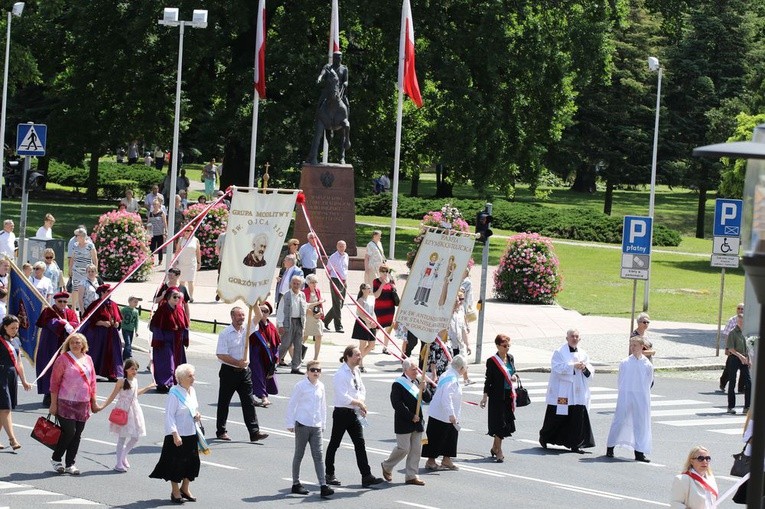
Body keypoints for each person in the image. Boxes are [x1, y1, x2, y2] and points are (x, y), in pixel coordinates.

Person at [324, 346, 383, 488]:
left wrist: (360, 404)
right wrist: (359, 403)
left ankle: (366, 475)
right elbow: (342, 397)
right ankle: (329, 474)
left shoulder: (356, 371)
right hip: (342, 413)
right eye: (357, 355)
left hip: (354, 413)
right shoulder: (341, 374)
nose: (360, 357)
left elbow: (361, 389)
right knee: (335, 443)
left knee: (360, 444)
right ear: (348, 357)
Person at [215, 306, 268, 442]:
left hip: (244, 373)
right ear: (232, 317)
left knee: (248, 402)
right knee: (224, 402)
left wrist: (254, 300)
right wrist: (236, 362)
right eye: (239, 315)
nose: (242, 318)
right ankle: (221, 431)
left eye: (243, 315)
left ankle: (254, 432)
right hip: (229, 372)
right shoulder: (225, 333)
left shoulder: (247, 328)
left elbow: (258, 315)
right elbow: (220, 354)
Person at [149, 363, 201, 503]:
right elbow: (169, 416)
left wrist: (197, 414)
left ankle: (185, 488)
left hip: (191, 432)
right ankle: (175, 491)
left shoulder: (192, 390)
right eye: (190, 376)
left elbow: (194, 408)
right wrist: (175, 434)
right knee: (176, 464)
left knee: (192, 462)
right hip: (178, 434)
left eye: (193, 375)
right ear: (181, 378)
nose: (193, 378)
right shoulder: (174, 393)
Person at [49, 333, 98, 475]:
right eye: (73, 343)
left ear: (83, 344)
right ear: (68, 345)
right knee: (70, 431)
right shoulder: (63, 359)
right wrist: (53, 403)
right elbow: (54, 382)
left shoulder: (88, 359)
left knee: (77, 434)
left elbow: (93, 382)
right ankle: (56, 459)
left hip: (83, 402)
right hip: (65, 401)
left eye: (78, 342)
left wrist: (93, 401)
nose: (76, 345)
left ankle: (70, 464)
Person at [539, 329, 595, 453]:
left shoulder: (583, 353)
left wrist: (584, 368)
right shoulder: (559, 352)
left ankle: (576, 443)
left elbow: (590, 368)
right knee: (558, 416)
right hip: (563, 390)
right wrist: (572, 366)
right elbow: (557, 368)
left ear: (579, 339)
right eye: (572, 336)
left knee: (577, 417)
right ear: (567, 338)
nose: (574, 338)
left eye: (576, 336)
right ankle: (545, 437)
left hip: (578, 389)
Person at [285, 359, 334, 498]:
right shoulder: (301, 386)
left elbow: (323, 406)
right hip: (302, 424)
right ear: (307, 372)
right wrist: (290, 423)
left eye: (318, 370)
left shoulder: (321, 386)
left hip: (316, 426)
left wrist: (323, 423)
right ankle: (296, 483)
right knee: (299, 454)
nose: (316, 373)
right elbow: (292, 404)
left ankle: (323, 485)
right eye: (313, 370)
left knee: (318, 456)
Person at [96, 359, 156, 471]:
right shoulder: (121, 381)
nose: (134, 371)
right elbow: (112, 396)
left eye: (136, 369)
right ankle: (118, 463)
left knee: (135, 437)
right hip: (123, 411)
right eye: (132, 369)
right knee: (122, 438)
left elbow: (135, 394)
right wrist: (102, 406)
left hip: (134, 410)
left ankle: (123, 456)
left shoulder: (135, 380)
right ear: (126, 369)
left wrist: (148, 387)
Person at [382, 358, 430, 485]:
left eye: (416, 369)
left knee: (415, 450)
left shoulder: (419, 381)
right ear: (406, 370)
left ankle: (411, 475)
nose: (416, 371)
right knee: (403, 448)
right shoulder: (398, 384)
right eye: (413, 369)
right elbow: (397, 404)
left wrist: (424, 389)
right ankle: (387, 465)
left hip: (418, 421)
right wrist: (410, 416)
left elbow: (428, 398)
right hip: (404, 421)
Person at [606, 337, 654, 462]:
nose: (632, 348)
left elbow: (649, 382)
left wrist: (643, 394)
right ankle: (610, 447)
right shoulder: (625, 362)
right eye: (631, 345)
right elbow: (620, 380)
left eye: (635, 345)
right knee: (619, 419)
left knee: (640, 423)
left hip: (641, 396)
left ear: (642, 347)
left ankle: (639, 451)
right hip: (626, 394)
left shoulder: (647, 364)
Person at [423, 355, 466, 472]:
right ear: (461, 368)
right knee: (435, 437)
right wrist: (451, 414)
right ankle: (430, 461)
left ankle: (447, 459)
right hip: (441, 414)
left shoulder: (449, 374)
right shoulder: (451, 379)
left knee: (450, 437)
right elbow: (446, 398)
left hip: (445, 414)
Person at [35, 292, 79, 406]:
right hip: (50, 346)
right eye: (60, 301)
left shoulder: (70, 312)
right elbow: (50, 323)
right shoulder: (48, 311)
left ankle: (64, 395)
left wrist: (70, 325)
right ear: (55, 301)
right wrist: (62, 324)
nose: (63, 304)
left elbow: (76, 323)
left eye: (65, 301)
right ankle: (48, 395)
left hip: (66, 347)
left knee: (66, 371)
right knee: (50, 369)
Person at [480, 334, 516, 463]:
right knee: (499, 423)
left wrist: (514, 376)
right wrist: (485, 397)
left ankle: (494, 447)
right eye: (504, 346)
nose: (507, 348)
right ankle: (499, 451)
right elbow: (488, 380)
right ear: (497, 346)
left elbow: (514, 371)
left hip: (509, 395)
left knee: (506, 423)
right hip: (496, 396)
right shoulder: (492, 361)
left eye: (508, 345)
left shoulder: (510, 358)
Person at [0, 315, 31, 450]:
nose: (14, 330)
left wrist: (24, 381)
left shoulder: (15, 341)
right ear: (5, 327)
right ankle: (12, 439)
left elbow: (19, 362)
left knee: (4, 408)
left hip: (11, 376)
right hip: (1, 375)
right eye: (12, 328)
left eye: (16, 328)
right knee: (5, 408)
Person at [150, 289, 189, 393]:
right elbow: (155, 326)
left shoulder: (180, 309)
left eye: (178, 297)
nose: (177, 299)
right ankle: (165, 383)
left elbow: (185, 325)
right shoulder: (162, 310)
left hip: (177, 341)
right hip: (165, 341)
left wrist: (185, 338)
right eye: (174, 297)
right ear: (168, 298)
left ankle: (177, 382)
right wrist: (159, 340)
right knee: (167, 363)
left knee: (178, 364)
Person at [81, 284, 123, 381]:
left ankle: (112, 373)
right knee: (96, 352)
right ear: (102, 293)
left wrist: (117, 323)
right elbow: (89, 318)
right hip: (98, 334)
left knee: (112, 352)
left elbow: (118, 318)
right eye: (108, 291)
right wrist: (101, 322)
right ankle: (90, 372)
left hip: (112, 334)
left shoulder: (113, 304)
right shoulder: (96, 304)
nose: (110, 293)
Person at [250, 301, 280, 407]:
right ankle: (263, 397)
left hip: (268, 356)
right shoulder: (254, 324)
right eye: (261, 310)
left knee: (266, 376)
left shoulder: (272, 327)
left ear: (269, 313)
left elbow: (276, 343)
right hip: (255, 354)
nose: (263, 313)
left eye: (265, 311)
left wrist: (276, 358)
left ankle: (250, 397)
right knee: (257, 376)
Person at [278, 275, 307, 375]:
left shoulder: (302, 295)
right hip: (288, 322)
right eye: (294, 283)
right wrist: (280, 324)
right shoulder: (286, 295)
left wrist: (304, 325)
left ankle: (296, 367)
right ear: (291, 284)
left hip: (299, 322)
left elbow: (304, 310)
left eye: (298, 283)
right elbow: (280, 310)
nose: (296, 285)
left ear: (301, 285)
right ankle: (272, 363)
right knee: (285, 344)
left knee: (298, 345)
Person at [725, 314, 750, 414]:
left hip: (744, 359)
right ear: (738, 322)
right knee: (732, 382)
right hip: (734, 358)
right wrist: (741, 356)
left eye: (743, 321)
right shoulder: (733, 333)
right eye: (740, 321)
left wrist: (748, 359)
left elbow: (747, 347)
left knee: (748, 382)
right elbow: (731, 348)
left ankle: (747, 407)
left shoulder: (745, 333)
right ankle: (731, 407)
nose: (742, 323)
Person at [69, 228, 98, 314]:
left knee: (86, 288)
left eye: (77, 235)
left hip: (87, 271)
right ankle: (73, 308)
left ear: (82, 236)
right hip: (76, 270)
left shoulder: (90, 245)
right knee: (75, 288)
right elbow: (72, 257)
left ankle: (85, 306)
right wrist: (70, 269)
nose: (76, 237)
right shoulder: (75, 245)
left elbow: (94, 258)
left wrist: (95, 270)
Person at [323, 240, 348, 333]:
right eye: (340, 246)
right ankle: (338, 326)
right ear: (337, 247)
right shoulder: (333, 257)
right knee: (337, 303)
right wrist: (331, 281)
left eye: (343, 246)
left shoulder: (346, 256)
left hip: (344, 281)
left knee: (340, 304)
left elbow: (345, 268)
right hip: (335, 280)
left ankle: (325, 320)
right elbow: (327, 268)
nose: (342, 248)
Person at [719, 303, 745, 393]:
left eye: (742, 309)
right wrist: (727, 348)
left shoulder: (748, 320)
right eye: (739, 308)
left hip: (743, 350)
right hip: (733, 349)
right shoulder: (732, 320)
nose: (740, 310)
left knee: (744, 370)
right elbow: (727, 335)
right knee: (729, 369)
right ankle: (723, 383)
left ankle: (741, 388)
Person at [373, 263, 397, 354]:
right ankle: (372, 342)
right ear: (379, 272)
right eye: (383, 271)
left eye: (387, 271)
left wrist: (393, 287)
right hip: (380, 307)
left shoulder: (391, 281)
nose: (385, 273)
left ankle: (385, 347)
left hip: (390, 307)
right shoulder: (376, 281)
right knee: (378, 326)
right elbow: (376, 295)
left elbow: (394, 293)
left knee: (389, 327)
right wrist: (382, 284)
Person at [354, 283, 377, 372]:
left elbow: (372, 312)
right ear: (363, 290)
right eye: (368, 288)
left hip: (371, 323)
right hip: (363, 323)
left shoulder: (371, 299)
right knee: (362, 345)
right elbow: (360, 313)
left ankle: (358, 359)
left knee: (372, 344)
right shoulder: (360, 300)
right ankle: (360, 364)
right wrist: (368, 321)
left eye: (370, 288)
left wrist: (375, 321)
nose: (369, 290)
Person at [174, 225, 201, 301]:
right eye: (185, 230)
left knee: (191, 280)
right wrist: (175, 260)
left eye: (189, 231)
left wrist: (199, 262)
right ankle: (182, 296)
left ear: (192, 232)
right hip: (182, 263)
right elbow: (177, 250)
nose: (187, 232)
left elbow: (198, 252)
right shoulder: (181, 239)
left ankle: (191, 296)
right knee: (182, 281)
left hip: (191, 263)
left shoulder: (196, 240)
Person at [303, 274, 325, 361]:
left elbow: (320, 304)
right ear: (308, 283)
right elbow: (305, 307)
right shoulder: (304, 292)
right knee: (304, 337)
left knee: (319, 336)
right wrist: (313, 314)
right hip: (308, 317)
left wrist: (321, 313)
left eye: (315, 282)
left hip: (317, 317)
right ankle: (298, 355)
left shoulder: (317, 291)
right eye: (312, 282)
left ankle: (316, 357)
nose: (314, 284)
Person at [120, 296, 141, 361]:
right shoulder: (124, 309)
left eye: (137, 302)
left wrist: (136, 331)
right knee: (128, 343)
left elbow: (136, 322)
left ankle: (124, 356)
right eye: (135, 302)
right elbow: (119, 316)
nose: (136, 303)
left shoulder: (136, 311)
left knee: (128, 344)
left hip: (131, 330)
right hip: (125, 328)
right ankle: (129, 355)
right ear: (129, 302)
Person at [147, 199, 167, 265]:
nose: (155, 206)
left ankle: (160, 260)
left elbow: (164, 222)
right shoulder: (150, 213)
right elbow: (148, 222)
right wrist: (148, 232)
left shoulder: (161, 213)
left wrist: (165, 231)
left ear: (159, 205)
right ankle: (152, 260)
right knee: (152, 248)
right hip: (152, 233)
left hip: (160, 232)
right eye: (154, 204)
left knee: (160, 247)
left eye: (156, 204)